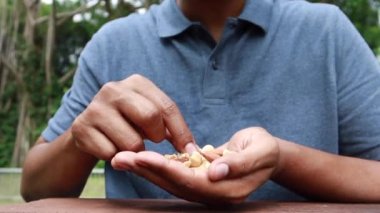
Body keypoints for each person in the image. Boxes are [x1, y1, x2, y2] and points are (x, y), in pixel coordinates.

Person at [21, 0, 380, 205]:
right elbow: (35, 190)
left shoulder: (326, 32)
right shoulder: (112, 44)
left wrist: (283, 160)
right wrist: (77, 140)